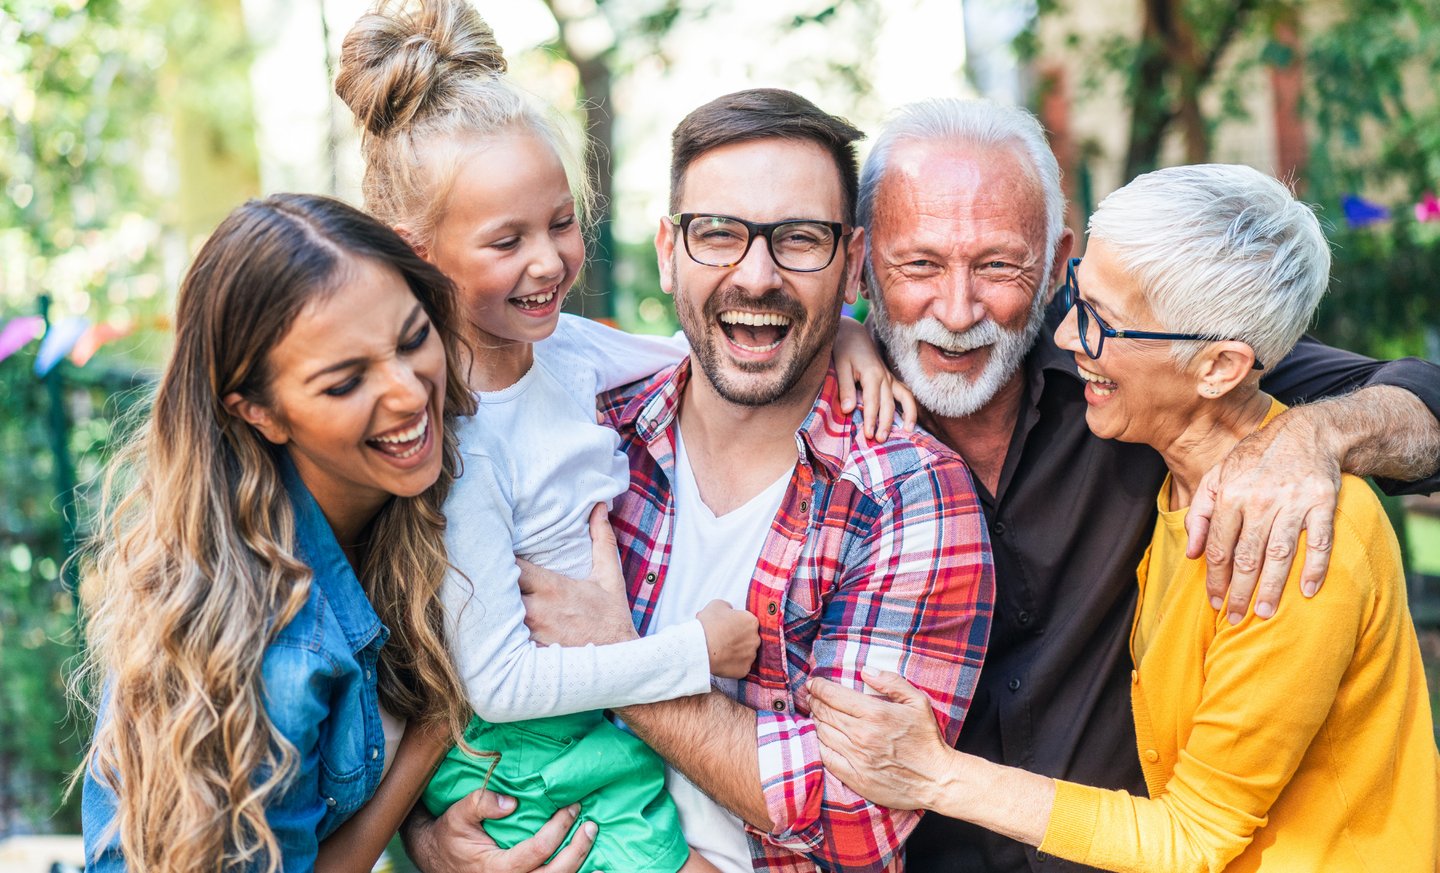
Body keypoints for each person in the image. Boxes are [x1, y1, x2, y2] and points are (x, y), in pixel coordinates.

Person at [334, 10, 914, 872]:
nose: (549, 261)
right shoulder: (449, 436)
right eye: (507, 241)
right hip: (522, 742)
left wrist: (850, 332)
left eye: (560, 224)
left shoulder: (563, 351)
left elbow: (721, 341)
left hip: (586, 728)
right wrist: (693, 654)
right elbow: (493, 680)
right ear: (419, 254)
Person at [838, 98, 1440, 872]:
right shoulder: (830, 412)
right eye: (917, 265)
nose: (956, 312)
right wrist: (841, 330)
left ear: (1055, 263)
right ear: (862, 262)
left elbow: (1417, 396)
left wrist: (1315, 434)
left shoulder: (1179, 386)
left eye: (997, 265)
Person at [438, 88, 996, 873]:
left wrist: (620, 656)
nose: (757, 274)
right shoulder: (588, 432)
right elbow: (440, 661)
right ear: (668, 250)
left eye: (800, 239)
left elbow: (854, 815)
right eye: (719, 234)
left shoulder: (905, 494)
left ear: (853, 262)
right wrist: (436, 837)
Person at [76, 193, 501, 872]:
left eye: (413, 337)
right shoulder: (277, 649)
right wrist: (430, 738)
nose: (409, 392)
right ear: (261, 413)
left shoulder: (401, 485)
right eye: (345, 382)